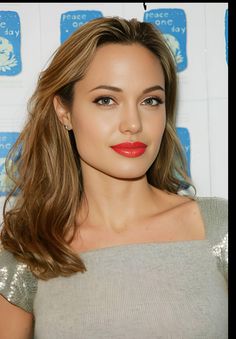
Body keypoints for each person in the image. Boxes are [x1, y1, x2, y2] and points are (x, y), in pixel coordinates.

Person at [0, 16, 227, 338]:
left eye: (151, 101)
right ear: (64, 112)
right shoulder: (29, 247)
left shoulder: (219, 229)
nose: (133, 123)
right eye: (106, 100)